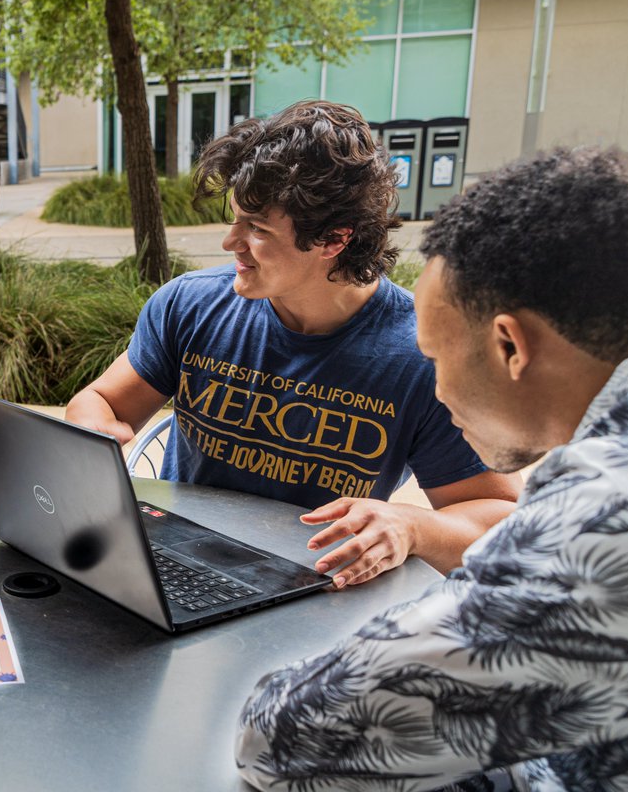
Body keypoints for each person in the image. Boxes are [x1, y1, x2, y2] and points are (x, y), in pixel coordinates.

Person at [236, 146, 628, 788]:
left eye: (434, 355)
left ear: (511, 345)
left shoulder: (625, 515)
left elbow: (287, 739)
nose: (433, 387)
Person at [67, 101, 519, 588]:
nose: (230, 242)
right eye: (235, 219)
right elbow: (100, 403)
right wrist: (92, 432)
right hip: (175, 567)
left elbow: (502, 521)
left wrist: (412, 526)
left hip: (313, 589)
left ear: (333, 239)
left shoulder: (424, 352)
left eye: (257, 228)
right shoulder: (189, 305)